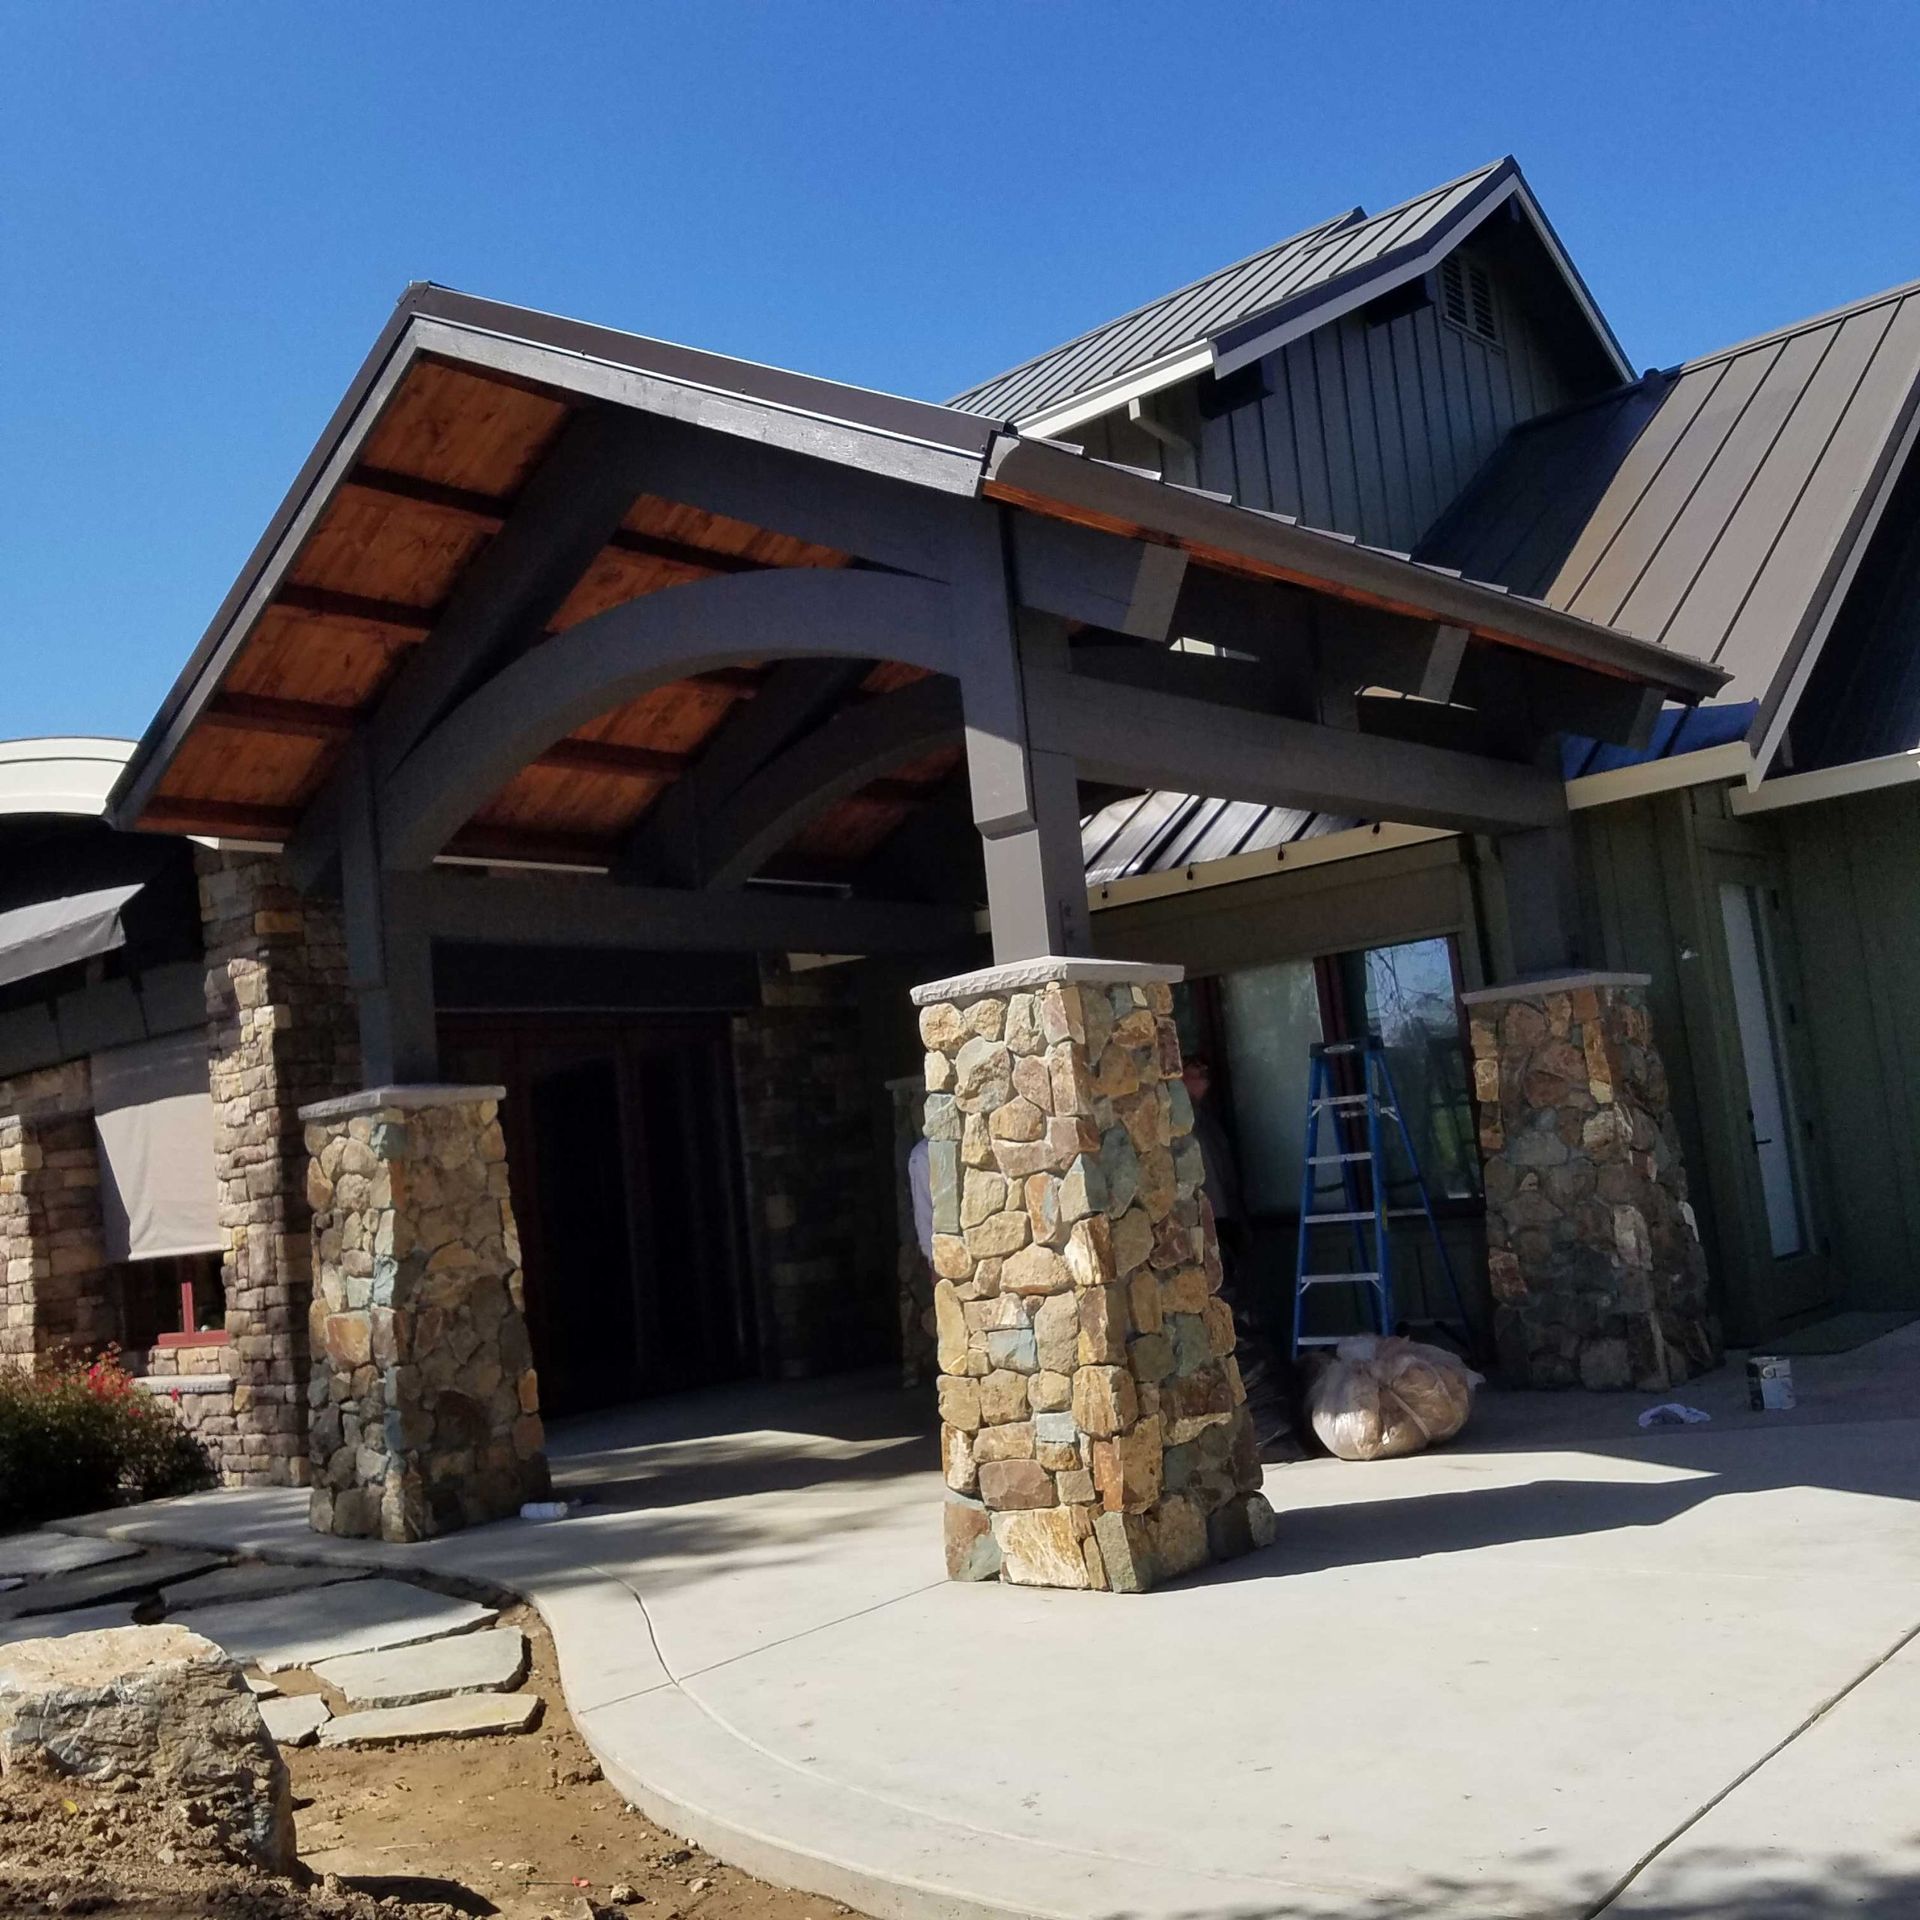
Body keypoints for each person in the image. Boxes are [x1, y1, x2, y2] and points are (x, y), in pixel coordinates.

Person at [1181, 1052, 1293, 1451]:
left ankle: (1270, 1421)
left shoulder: (1204, 1122)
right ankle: (1262, 1426)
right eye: (1195, 1069)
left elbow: (1224, 1180)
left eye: (1206, 1070)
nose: (1203, 1076)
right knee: (1234, 1329)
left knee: (1245, 1324)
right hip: (1204, 1237)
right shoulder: (1178, 1123)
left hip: (1226, 1231)